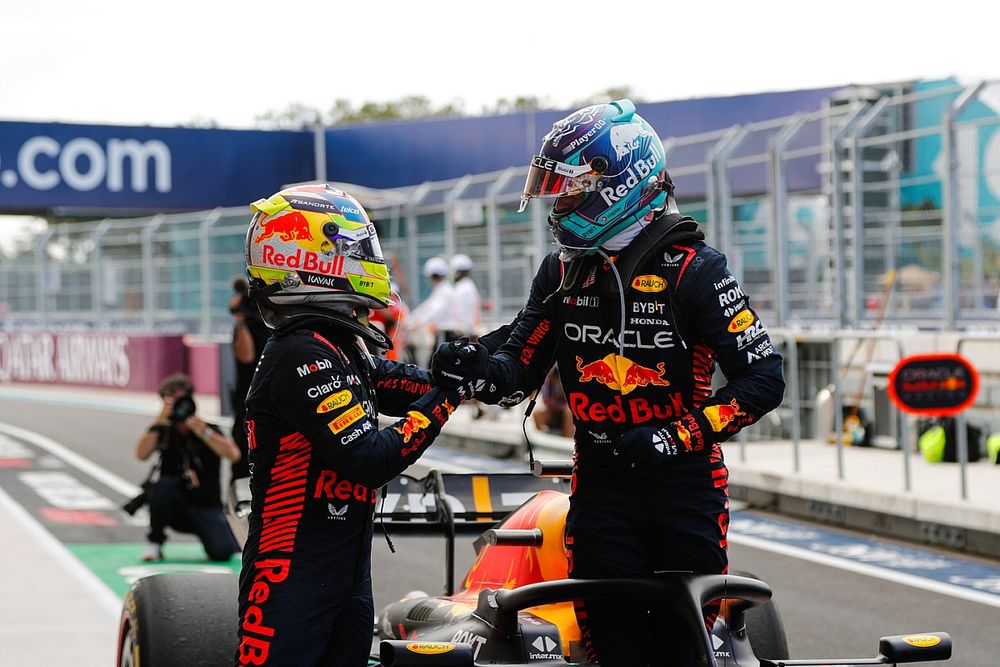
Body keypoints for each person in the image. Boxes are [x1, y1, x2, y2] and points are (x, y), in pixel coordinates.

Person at [432, 99, 785, 666]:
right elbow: (517, 370)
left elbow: (764, 380)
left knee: (683, 647)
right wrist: (470, 370)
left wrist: (676, 436)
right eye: (556, 192)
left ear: (618, 183)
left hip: (683, 485)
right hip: (601, 486)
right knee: (611, 644)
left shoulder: (698, 269)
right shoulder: (562, 270)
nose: (559, 205)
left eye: (569, 191)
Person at [236, 184, 463, 667]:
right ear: (312, 259)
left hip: (343, 573)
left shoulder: (335, 343)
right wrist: (448, 397)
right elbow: (369, 459)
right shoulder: (301, 351)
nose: (371, 262)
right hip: (289, 576)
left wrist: (473, 372)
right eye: (358, 250)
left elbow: (404, 383)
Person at [135, 373, 242, 562]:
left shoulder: (207, 428)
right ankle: (155, 542)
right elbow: (141, 454)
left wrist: (203, 432)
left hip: (205, 506)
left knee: (223, 551)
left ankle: (220, 533)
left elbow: (233, 455)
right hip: (175, 506)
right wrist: (159, 421)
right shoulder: (163, 431)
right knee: (161, 485)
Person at [229, 277, 270, 480]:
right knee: (243, 469)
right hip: (247, 404)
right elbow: (246, 357)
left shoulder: (275, 326)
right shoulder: (242, 327)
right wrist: (241, 321)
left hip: (271, 402)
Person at [404, 256, 455, 365]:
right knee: (434, 363)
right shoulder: (441, 289)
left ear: (433, 276)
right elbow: (427, 307)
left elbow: (434, 311)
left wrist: (418, 321)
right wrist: (411, 318)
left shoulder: (445, 291)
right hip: (443, 333)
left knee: (436, 364)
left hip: (447, 333)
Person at [532, 366, 573, 438]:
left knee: (568, 411)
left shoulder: (567, 383)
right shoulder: (546, 384)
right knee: (537, 413)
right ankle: (543, 438)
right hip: (552, 414)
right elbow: (532, 396)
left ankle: (566, 439)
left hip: (565, 416)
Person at [449, 253, 482, 339]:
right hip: (467, 329)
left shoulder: (462, 288)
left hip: (463, 331)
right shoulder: (468, 286)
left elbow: (461, 311)